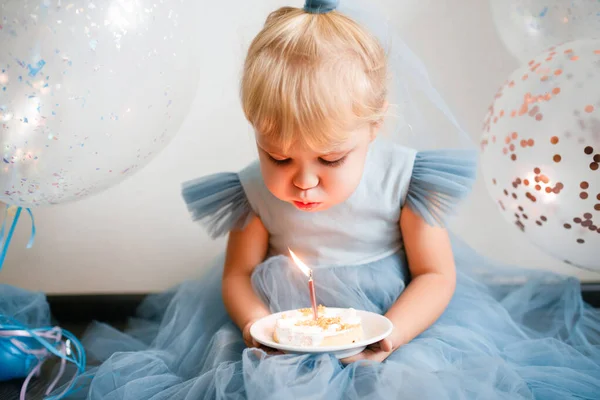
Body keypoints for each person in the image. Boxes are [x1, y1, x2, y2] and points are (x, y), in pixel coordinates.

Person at [4, 0, 600, 399]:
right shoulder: (252, 193)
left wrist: (389, 334)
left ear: (374, 127)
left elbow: (436, 275)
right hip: (285, 319)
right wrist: (258, 325)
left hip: (394, 316)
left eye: (330, 160)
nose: (302, 182)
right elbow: (238, 276)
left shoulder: (406, 180)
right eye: (278, 156)